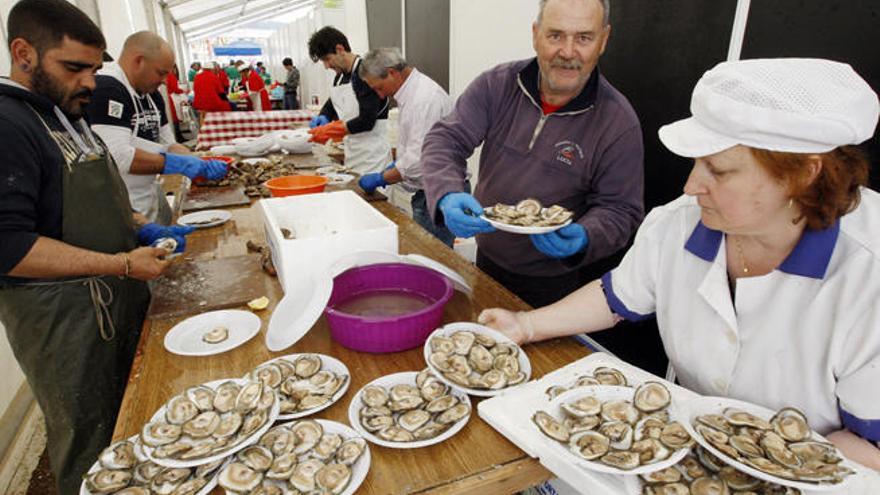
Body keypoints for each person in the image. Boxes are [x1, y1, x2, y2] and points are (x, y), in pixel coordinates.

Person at [480, 58, 880, 470]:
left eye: (718, 170)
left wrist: (759, 469)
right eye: (696, 163)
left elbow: (871, 448)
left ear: (804, 175)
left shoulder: (867, 273)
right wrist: (526, 325)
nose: (691, 186)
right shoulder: (683, 222)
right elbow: (618, 296)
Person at [0, 1, 195, 492]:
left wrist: (135, 225)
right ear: (23, 53)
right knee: (90, 442)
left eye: (93, 67)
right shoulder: (8, 124)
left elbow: (95, 199)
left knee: (131, 421)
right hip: (63, 323)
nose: (90, 81)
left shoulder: (66, 111)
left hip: (113, 298)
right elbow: (10, 245)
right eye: (74, 67)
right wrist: (120, 263)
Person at [421, 1, 644, 312]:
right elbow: (446, 139)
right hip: (485, 262)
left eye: (583, 37)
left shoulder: (618, 122)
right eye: (555, 35)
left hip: (553, 286)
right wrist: (446, 194)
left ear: (603, 40)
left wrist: (586, 235)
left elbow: (621, 210)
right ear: (536, 34)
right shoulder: (496, 84)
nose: (568, 52)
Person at [86, 32, 228, 225]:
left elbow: (168, 143)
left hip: (149, 193)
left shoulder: (152, 94)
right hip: (120, 204)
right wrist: (178, 164)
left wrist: (196, 161)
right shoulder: (107, 87)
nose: (164, 81)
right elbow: (118, 157)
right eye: (161, 73)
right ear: (139, 61)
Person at [357, 48, 456, 246]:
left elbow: (419, 161)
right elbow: (416, 144)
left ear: (392, 73)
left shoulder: (425, 98)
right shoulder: (410, 94)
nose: (379, 94)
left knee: (433, 258)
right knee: (425, 252)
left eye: (378, 87)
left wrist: (381, 178)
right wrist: (398, 163)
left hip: (439, 193)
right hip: (426, 191)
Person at [306, 26, 391, 175]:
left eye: (327, 59)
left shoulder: (367, 73)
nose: (326, 66)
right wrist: (324, 115)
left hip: (373, 158)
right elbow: (333, 102)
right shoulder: (340, 76)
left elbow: (367, 120)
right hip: (352, 152)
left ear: (340, 49)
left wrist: (333, 130)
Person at [164, 63, 186, 142]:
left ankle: (178, 136)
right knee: (175, 118)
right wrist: (183, 91)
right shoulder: (171, 76)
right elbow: (174, 88)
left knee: (174, 118)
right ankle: (178, 137)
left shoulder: (166, 75)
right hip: (173, 99)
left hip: (171, 98)